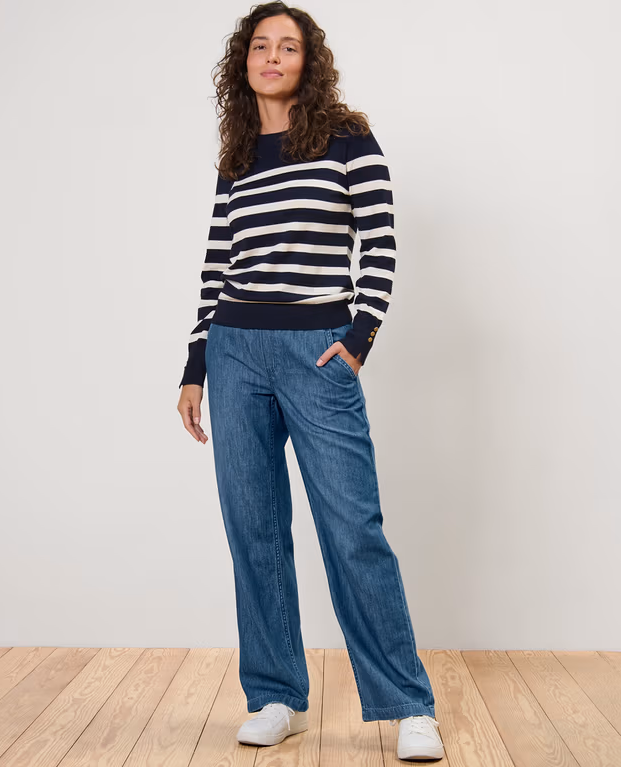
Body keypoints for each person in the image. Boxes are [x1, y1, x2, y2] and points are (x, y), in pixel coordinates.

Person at [176, 2, 444, 761]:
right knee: (254, 531)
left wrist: (358, 339)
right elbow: (217, 262)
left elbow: (381, 241)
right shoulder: (237, 152)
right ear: (244, 62)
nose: (272, 57)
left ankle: (408, 704)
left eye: (287, 46)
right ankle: (276, 695)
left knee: (352, 528)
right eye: (260, 45)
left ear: (308, 61)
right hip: (235, 351)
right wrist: (196, 363)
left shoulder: (347, 137)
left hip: (318, 350)